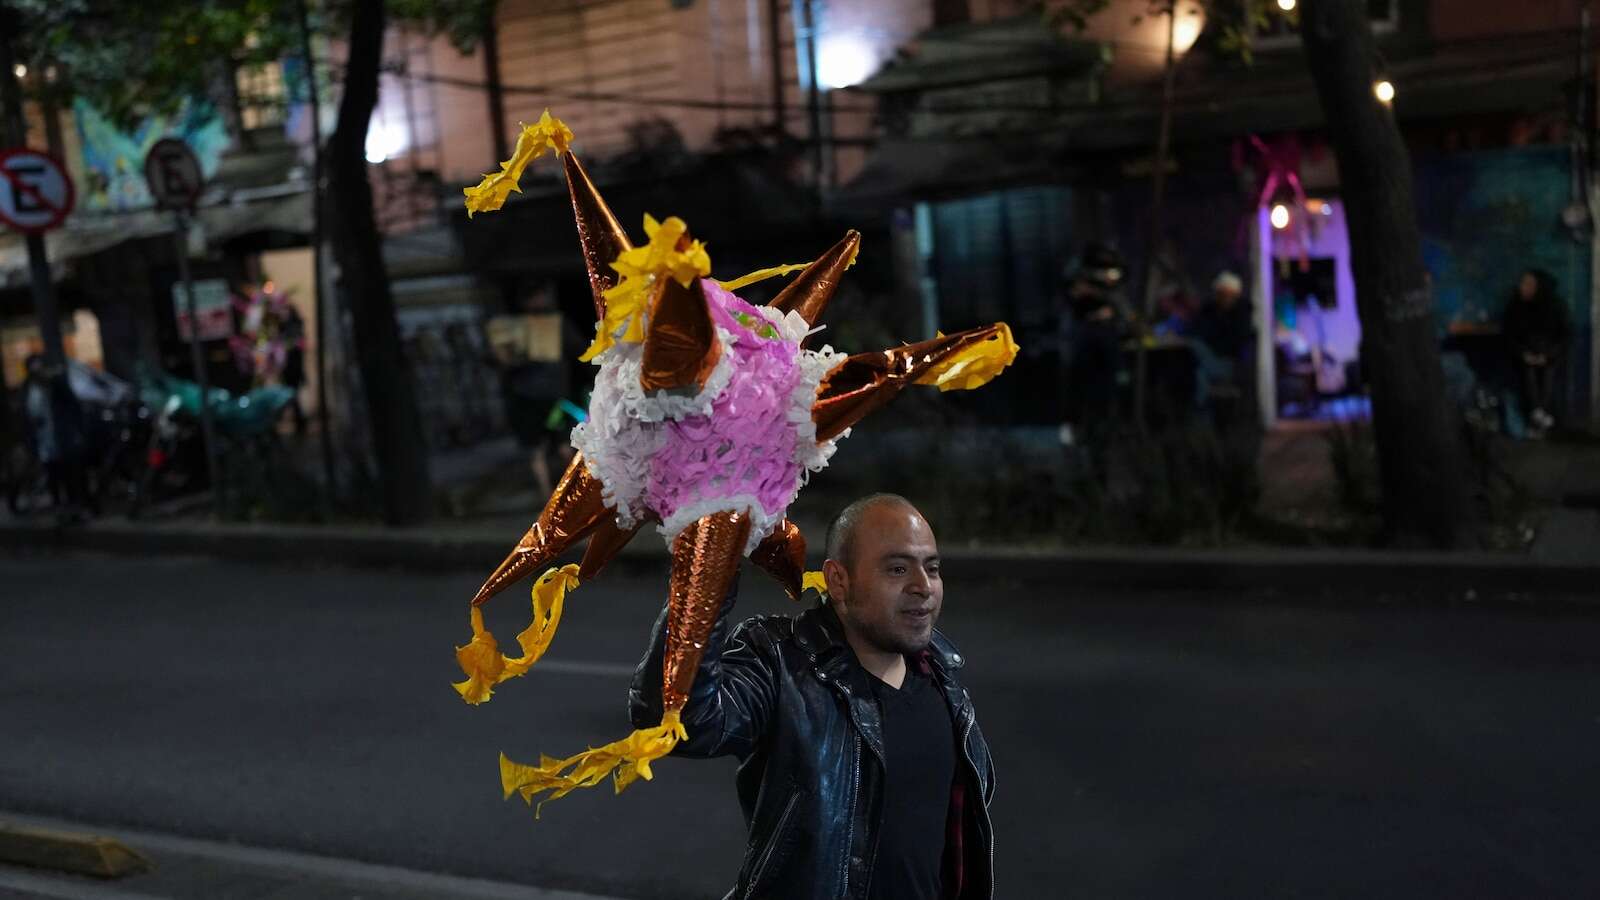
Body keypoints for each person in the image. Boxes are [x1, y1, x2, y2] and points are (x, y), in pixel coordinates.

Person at [628, 494, 996, 900]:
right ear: (839, 581)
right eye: (897, 569)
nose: (922, 587)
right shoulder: (780, 663)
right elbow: (680, 723)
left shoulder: (944, 678)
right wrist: (709, 569)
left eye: (932, 569)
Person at [1502, 268, 1570, 436]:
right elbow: (1509, 335)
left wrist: (1547, 355)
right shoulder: (1516, 306)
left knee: (1547, 375)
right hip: (1524, 356)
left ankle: (1539, 414)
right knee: (1529, 373)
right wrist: (1524, 354)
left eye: (1529, 284)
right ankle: (1539, 415)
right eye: (1523, 283)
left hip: (1549, 355)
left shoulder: (1556, 306)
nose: (1523, 288)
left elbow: (1566, 335)